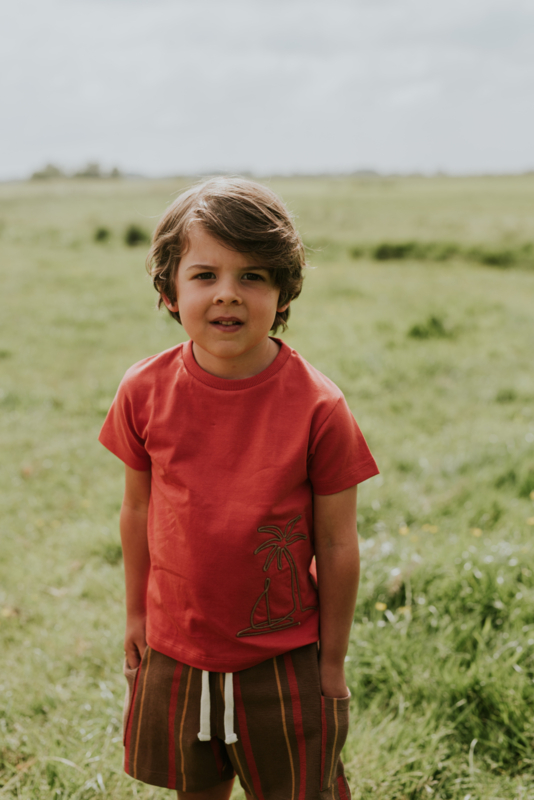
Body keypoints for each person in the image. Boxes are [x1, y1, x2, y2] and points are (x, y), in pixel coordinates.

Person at [99, 177, 379, 800]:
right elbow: (137, 508)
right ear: (170, 290)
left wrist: (331, 662)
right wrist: (137, 615)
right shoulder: (142, 391)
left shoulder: (320, 407)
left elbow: (338, 544)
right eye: (205, 275)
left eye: (252, 276)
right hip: (176, 647)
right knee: (196, 789)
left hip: (284, 655)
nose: (227, 293)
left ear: (283, 291)